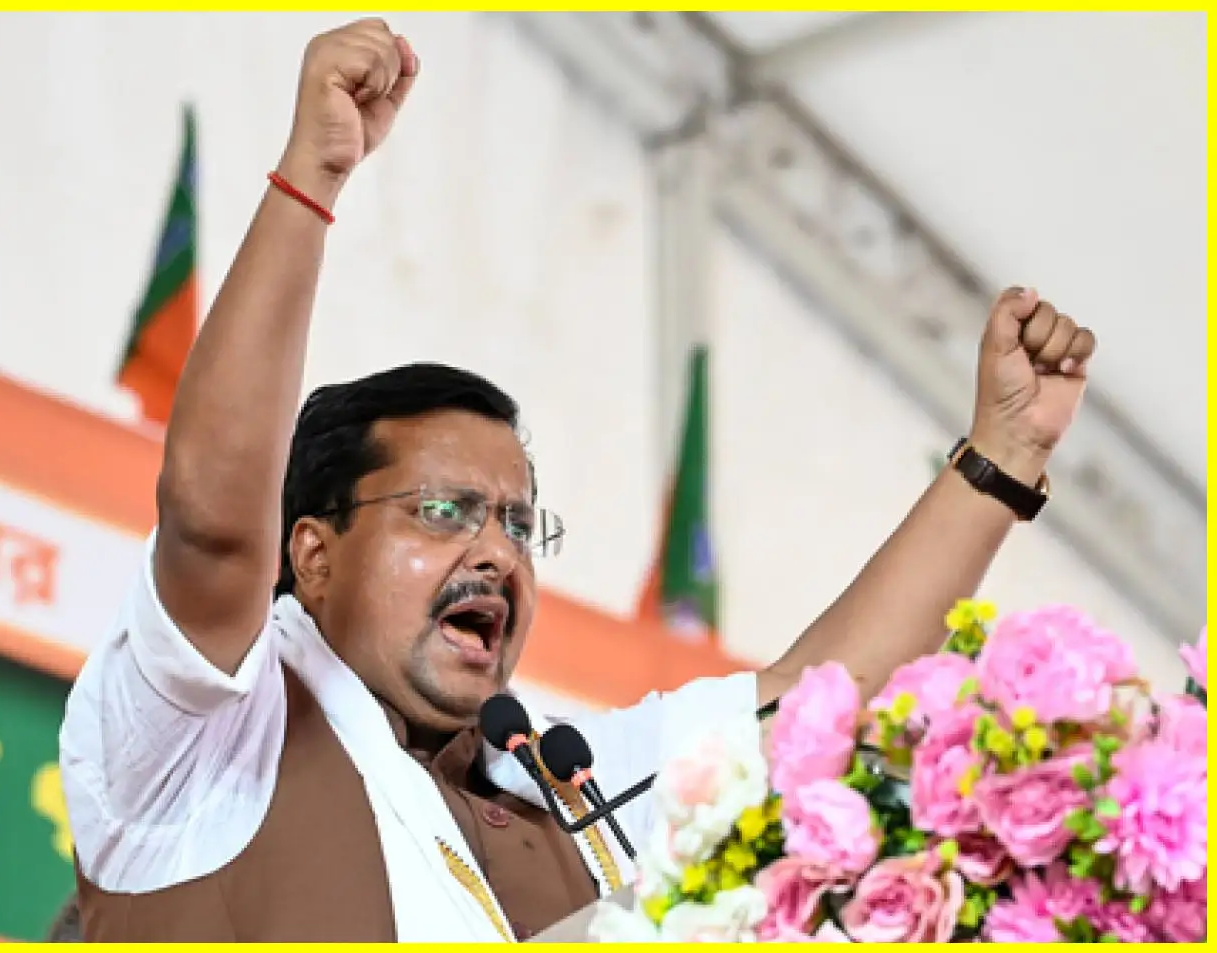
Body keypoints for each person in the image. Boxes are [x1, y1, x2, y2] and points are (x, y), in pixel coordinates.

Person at [58, 17, 1097, 943]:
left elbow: (818, 705)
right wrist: (310, 179)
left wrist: (1002, 454)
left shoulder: (564, 786)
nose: (494, 549)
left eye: (517, 523)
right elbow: (213, 522)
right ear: (314, 552)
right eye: (443, 510)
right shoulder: (209, 737)